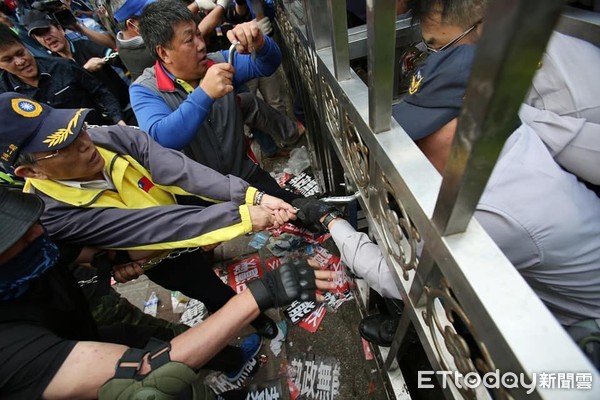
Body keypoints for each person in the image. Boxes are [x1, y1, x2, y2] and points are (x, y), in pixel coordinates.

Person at [294, 43, 600, 356]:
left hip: (577, 333)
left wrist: (330, 220)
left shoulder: (487, 212)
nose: (414, 149)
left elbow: (397, 276)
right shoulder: (513, 132)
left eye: (425, 133)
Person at [0, 91, 295, 338]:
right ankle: (252, 319)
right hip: (152, 251)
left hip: (183, 211)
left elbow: (178, 169)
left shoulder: (103, 138)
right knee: (208, 288)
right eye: (63, 146)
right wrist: (244, 217)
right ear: (31, 171)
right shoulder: (52, 213)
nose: (84, 144)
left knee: (206, 250)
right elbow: (149, 227)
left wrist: (250, 195)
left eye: (78, 129)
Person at [0, 186, 334, 399]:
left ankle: (231, 360)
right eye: (21, 239)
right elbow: (145, 375)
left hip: (85, 327)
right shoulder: (9, 346)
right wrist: (260, 293)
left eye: (32, 223)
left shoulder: (41, 243)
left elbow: (89, 250)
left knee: (153, 335)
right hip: (75, 374)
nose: (38, 233)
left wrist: (114, 263)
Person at [130, 0, 299, 202]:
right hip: (202, 199)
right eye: (189, 40)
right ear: (164, 53)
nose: (201, 45)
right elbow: (162, 138)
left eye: (198, 34)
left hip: (245, 179)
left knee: (300, 212)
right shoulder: (145, 89)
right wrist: (205, 93)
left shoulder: (218, 62)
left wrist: (260, 42)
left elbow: (268, 64)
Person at [24, 10, 136, 124]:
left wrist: (105, 60)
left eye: (47, 30)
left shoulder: (83, 46)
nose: (47, 38)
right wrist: (84, 70)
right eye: (39, 35)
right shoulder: (52, 67)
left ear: (60, 29)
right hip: (97, 124)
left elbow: (118, 58)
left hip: (126, 110)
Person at [0, 24, 126, 125]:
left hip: (101, 134)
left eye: (20, 53)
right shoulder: (5, 97)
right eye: (8, 60)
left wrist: (118, 121)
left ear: (25, 46)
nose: (20, 61)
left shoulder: (63, 66)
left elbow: (101, 91)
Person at [111, 0, 231, 81]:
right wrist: (220, 7)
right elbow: (189, 35)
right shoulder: (144, 53)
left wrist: (196, 5)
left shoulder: (124, 36)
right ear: (132, 25)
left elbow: (169, 23)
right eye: (149, 14)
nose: (156, 15)